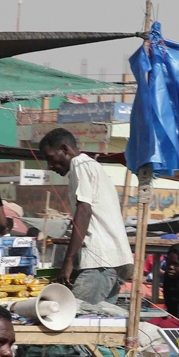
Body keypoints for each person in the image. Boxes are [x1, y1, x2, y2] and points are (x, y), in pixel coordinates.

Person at [37, 128, 134, 304]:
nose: (50, 166)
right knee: (98, 324)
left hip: (99, 262)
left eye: (50, 158)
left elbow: (84, 211)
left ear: (65, 149)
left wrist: (69, 260)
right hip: (112, 261)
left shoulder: (79, 165)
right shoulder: (91, 166)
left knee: (74, 317)